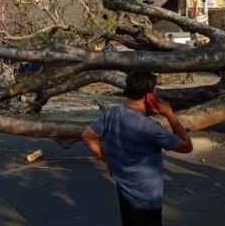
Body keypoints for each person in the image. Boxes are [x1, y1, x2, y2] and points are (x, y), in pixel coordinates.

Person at [82, 71, 193, 226]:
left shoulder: (112, 113)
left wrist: (106, 159)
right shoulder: (150, 128)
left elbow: (88, 135)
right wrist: (169, 114)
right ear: (149, 96)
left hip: (123, 183)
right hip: (147, 193)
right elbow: (186, 146)